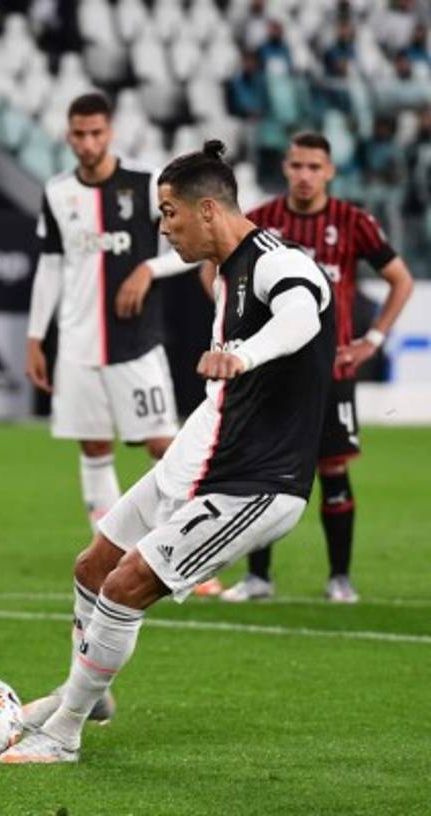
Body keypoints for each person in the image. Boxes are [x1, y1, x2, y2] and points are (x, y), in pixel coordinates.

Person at [0, 140, 336, 765]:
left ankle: (65, 730)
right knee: (92, 566)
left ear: (208, 210)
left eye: (169, 214)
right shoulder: (226, 273)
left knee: (125, 587)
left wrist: (246, 353)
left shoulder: (275, 262)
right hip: (200, 457)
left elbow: (303, 315)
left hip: (256, 484)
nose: (163, 228)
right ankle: (87, 691)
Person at [208, 132, 414, 604]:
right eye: (297, 165)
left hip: (331, 372)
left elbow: (399, 279)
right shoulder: (260, 222)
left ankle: (339, 578)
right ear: (285, 167)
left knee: (334, 468)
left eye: (314, 167)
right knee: (260, 469)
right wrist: (236, 328)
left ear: (330, 171)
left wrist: (372, 340)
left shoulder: (353, 221)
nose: (305, 175)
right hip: (270, 372)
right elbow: (212, 272)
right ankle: (258, 578)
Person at [26, 92, 190, 535]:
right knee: (94, 447)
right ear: (68, 135)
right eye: (79, 134)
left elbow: (196, 245)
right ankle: (111, 550)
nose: (87, 142)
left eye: (96, 133)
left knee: (164, 446)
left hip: (135, 343)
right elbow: (50, 266)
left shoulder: (145, 183)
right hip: (78, 345)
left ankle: (187, 551)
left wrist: (148, 269)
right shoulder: (58, 192)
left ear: (110, 132)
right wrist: (35, 338)